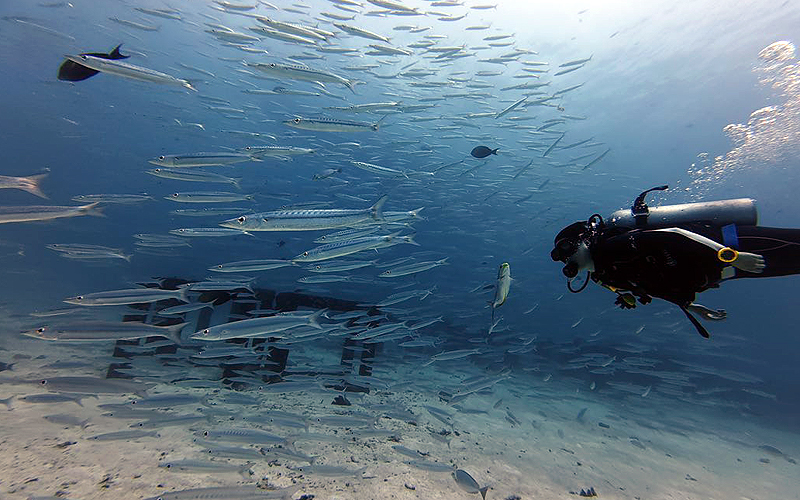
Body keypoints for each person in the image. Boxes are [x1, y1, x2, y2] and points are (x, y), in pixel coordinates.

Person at [550, 186, 800, 338]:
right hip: (731, 271)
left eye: (567, 248)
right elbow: (653, 286)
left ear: (584, 240)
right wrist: (690, 306)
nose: (567, 258)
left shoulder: (614, 246)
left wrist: (730, 254)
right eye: (562, 256)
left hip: (733, 245)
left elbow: (674, 235)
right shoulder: (606, 277)